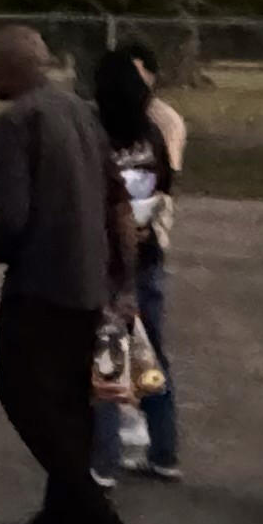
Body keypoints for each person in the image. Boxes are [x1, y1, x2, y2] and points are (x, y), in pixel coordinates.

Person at [0, 25, 139, 524]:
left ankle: (97, 519)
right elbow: (117, 200)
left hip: (42, 286)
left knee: (23, 396)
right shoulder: (80, 111)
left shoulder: (16, 122)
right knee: (70, 407)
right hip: (90, 286)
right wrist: (120, 281)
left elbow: (14, 218)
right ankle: (60, 520)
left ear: (14, 67)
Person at [89, 41, 186, 487]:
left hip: (107, 262)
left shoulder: (95, 138)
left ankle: (104, 460)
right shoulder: (153, 137)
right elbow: (164, 185)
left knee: (108, 360)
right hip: (148, 256)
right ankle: (164, 453)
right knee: (153, 355)